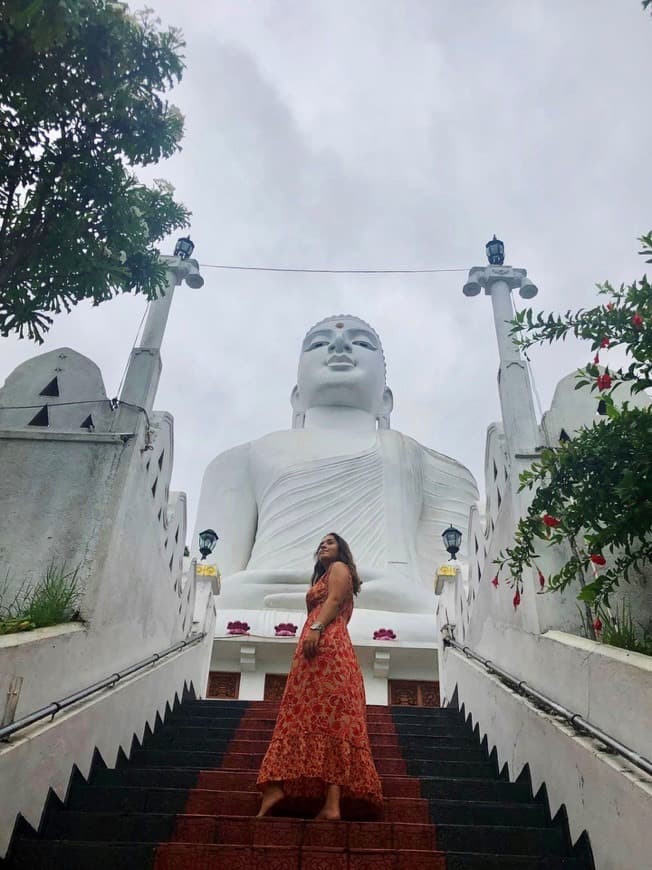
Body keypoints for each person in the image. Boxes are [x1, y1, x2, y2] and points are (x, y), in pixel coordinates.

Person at [256, 532, 383, 820]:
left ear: (341, 550)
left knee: (329, 715)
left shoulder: (338, 569)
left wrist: (317, 629)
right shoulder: (320, 578)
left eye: (330, 542)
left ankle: (329, 802)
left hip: (328, 643)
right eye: (321, 543)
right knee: (302, 711)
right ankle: (289, 790)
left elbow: (336, 599)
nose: (323, 546)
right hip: (316, 647)